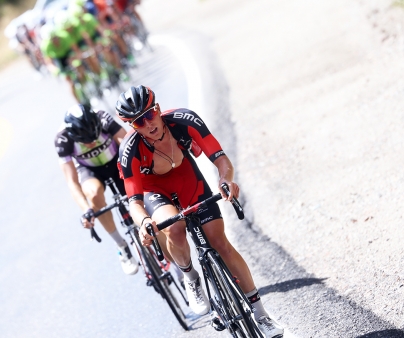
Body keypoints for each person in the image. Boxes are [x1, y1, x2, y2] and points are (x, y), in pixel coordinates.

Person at [115, 85, 284, 338]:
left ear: (158, 109)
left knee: (220, 244)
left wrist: (225, 180)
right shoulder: (130, 151)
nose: (148, 124)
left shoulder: (184, 120)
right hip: (154, 192)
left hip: (188, 181)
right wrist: (145, 222)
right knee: (174, 227)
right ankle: (190, 276)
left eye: (150, 115)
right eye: (138, 122)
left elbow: (220, 159)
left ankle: (261, 315)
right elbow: (135, 202)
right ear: (131, 126)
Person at [54, 103, 138, 275]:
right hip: (90, 170)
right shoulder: (62, 139)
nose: (92, 143)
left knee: (137, 192)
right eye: (86, 141)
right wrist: (87, 210)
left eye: (94, 137)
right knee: (93, 196)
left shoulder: (103, 117)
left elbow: (128, 144)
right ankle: (121, 245)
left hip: (116, 161)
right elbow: (72, 182)